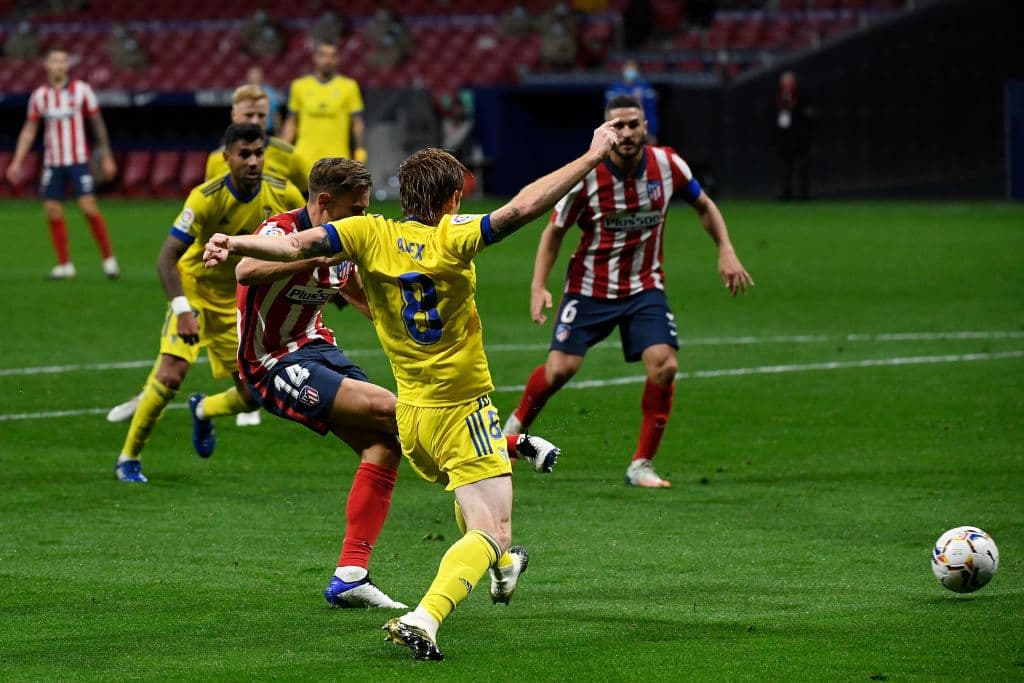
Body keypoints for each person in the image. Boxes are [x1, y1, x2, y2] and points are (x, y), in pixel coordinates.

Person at [202, 121, 623, 660]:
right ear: (454, 199)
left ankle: (371, 572)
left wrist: (230, 239)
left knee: (426, 470)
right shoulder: (452, 236)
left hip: (414, 418)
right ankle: (426, 615)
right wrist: (590, 157)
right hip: (455, 408)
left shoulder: (367, 235)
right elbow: (521, 208)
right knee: (492, 528)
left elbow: (302, 249)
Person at [237, 156, 562, 608]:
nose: (364, 215)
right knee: (392, 410)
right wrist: (318, 254)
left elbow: (364, 293)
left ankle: (350, 576)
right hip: (271, 360)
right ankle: (511, 443)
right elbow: (246, 270)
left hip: (316, 346)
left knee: (385, 446)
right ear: (325, 202)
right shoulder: (284, 230)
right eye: (356, 209)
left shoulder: (349, 239)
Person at [502, 95, 754, 489]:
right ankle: (515, 429)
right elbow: (554, 232)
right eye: (617, 125)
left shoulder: (668, 165)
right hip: (589, 288)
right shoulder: (585, 175)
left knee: (664, 365)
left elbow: (704, 205)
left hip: (644, 286)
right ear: (605, 130)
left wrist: (726, 250)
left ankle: (641, 465)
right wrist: (538, 285)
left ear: (645, 127)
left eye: (633, 124)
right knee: (560, 370)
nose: (626, 132)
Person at [112, 123, 304, 483]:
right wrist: (183, 309)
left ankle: (202, 410)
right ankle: (128, 458)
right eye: (244, 154)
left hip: (236, 301)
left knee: (251, 396)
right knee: (170, 375)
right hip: (195, 290)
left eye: (258, 153)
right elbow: (166, 259)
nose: (253, 161)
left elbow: (308, 241)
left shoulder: (283, 193)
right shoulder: (205, 197)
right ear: (227, 157)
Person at [5, 48, 120, 280]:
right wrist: (17, 161)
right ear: (46, 65)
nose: (58, 65)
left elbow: (98, 125)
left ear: (68, 66)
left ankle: (109, 259)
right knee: (52, 209)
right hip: (53, 162)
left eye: (62, 61)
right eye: (54, 61)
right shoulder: (39, 96)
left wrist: (107, 157)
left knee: (88, 206)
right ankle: (64, 264)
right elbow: (29, 130)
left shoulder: (82, 90)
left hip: (77, 159)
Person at [282, 42, 367, 179]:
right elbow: (291, 122)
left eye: (332, 56)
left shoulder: (349, 86)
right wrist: (283, 150)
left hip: (337, 160)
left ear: (338, 59)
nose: (328, 60)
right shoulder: (299, 86)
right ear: (315, 58)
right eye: (323, 55)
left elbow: (357, 123)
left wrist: (360, 150)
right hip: (303, 159)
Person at [605, 58, 659, 144]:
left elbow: (652, 109)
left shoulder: (645, 87)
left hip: (643, 129)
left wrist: (652, 131)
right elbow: (608, 109)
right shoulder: (615, 87)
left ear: (637, 70)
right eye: (628, 67)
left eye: (633, 67)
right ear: (623, 69)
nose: (630, 70)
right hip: (619, 129)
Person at [776, 70, 812, 201]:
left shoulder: (801, 95)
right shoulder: (778, 96)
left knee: (802, 167)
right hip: (784, 138)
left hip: (799, 137)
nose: (787, 84)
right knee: (785, 168)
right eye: (785, 81)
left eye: (789, 81)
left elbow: (807, 115)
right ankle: (785, 193)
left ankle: (803, 194)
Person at [245, 66, 283, 135]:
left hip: (266, 132)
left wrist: (278, 133)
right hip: (247, 132)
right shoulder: (242, 94)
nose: (255, 77)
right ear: (248, 77)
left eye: (257, 74)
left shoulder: (270, 94)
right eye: (253, 75)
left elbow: (275, 115)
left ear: (262, 77)